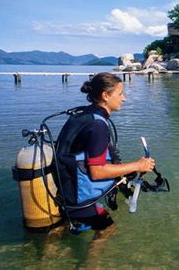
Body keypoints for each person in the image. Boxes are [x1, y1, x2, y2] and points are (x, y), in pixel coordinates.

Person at [55, 72, 155, 234]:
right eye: (120, 94)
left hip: (64, 188)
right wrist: (137, 165)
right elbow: (97, 172)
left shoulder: (85, 115)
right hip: (78, 199)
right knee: (108, 231)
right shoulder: (98, 126)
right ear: (105, 96)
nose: (124, 98)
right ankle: (90, 260)